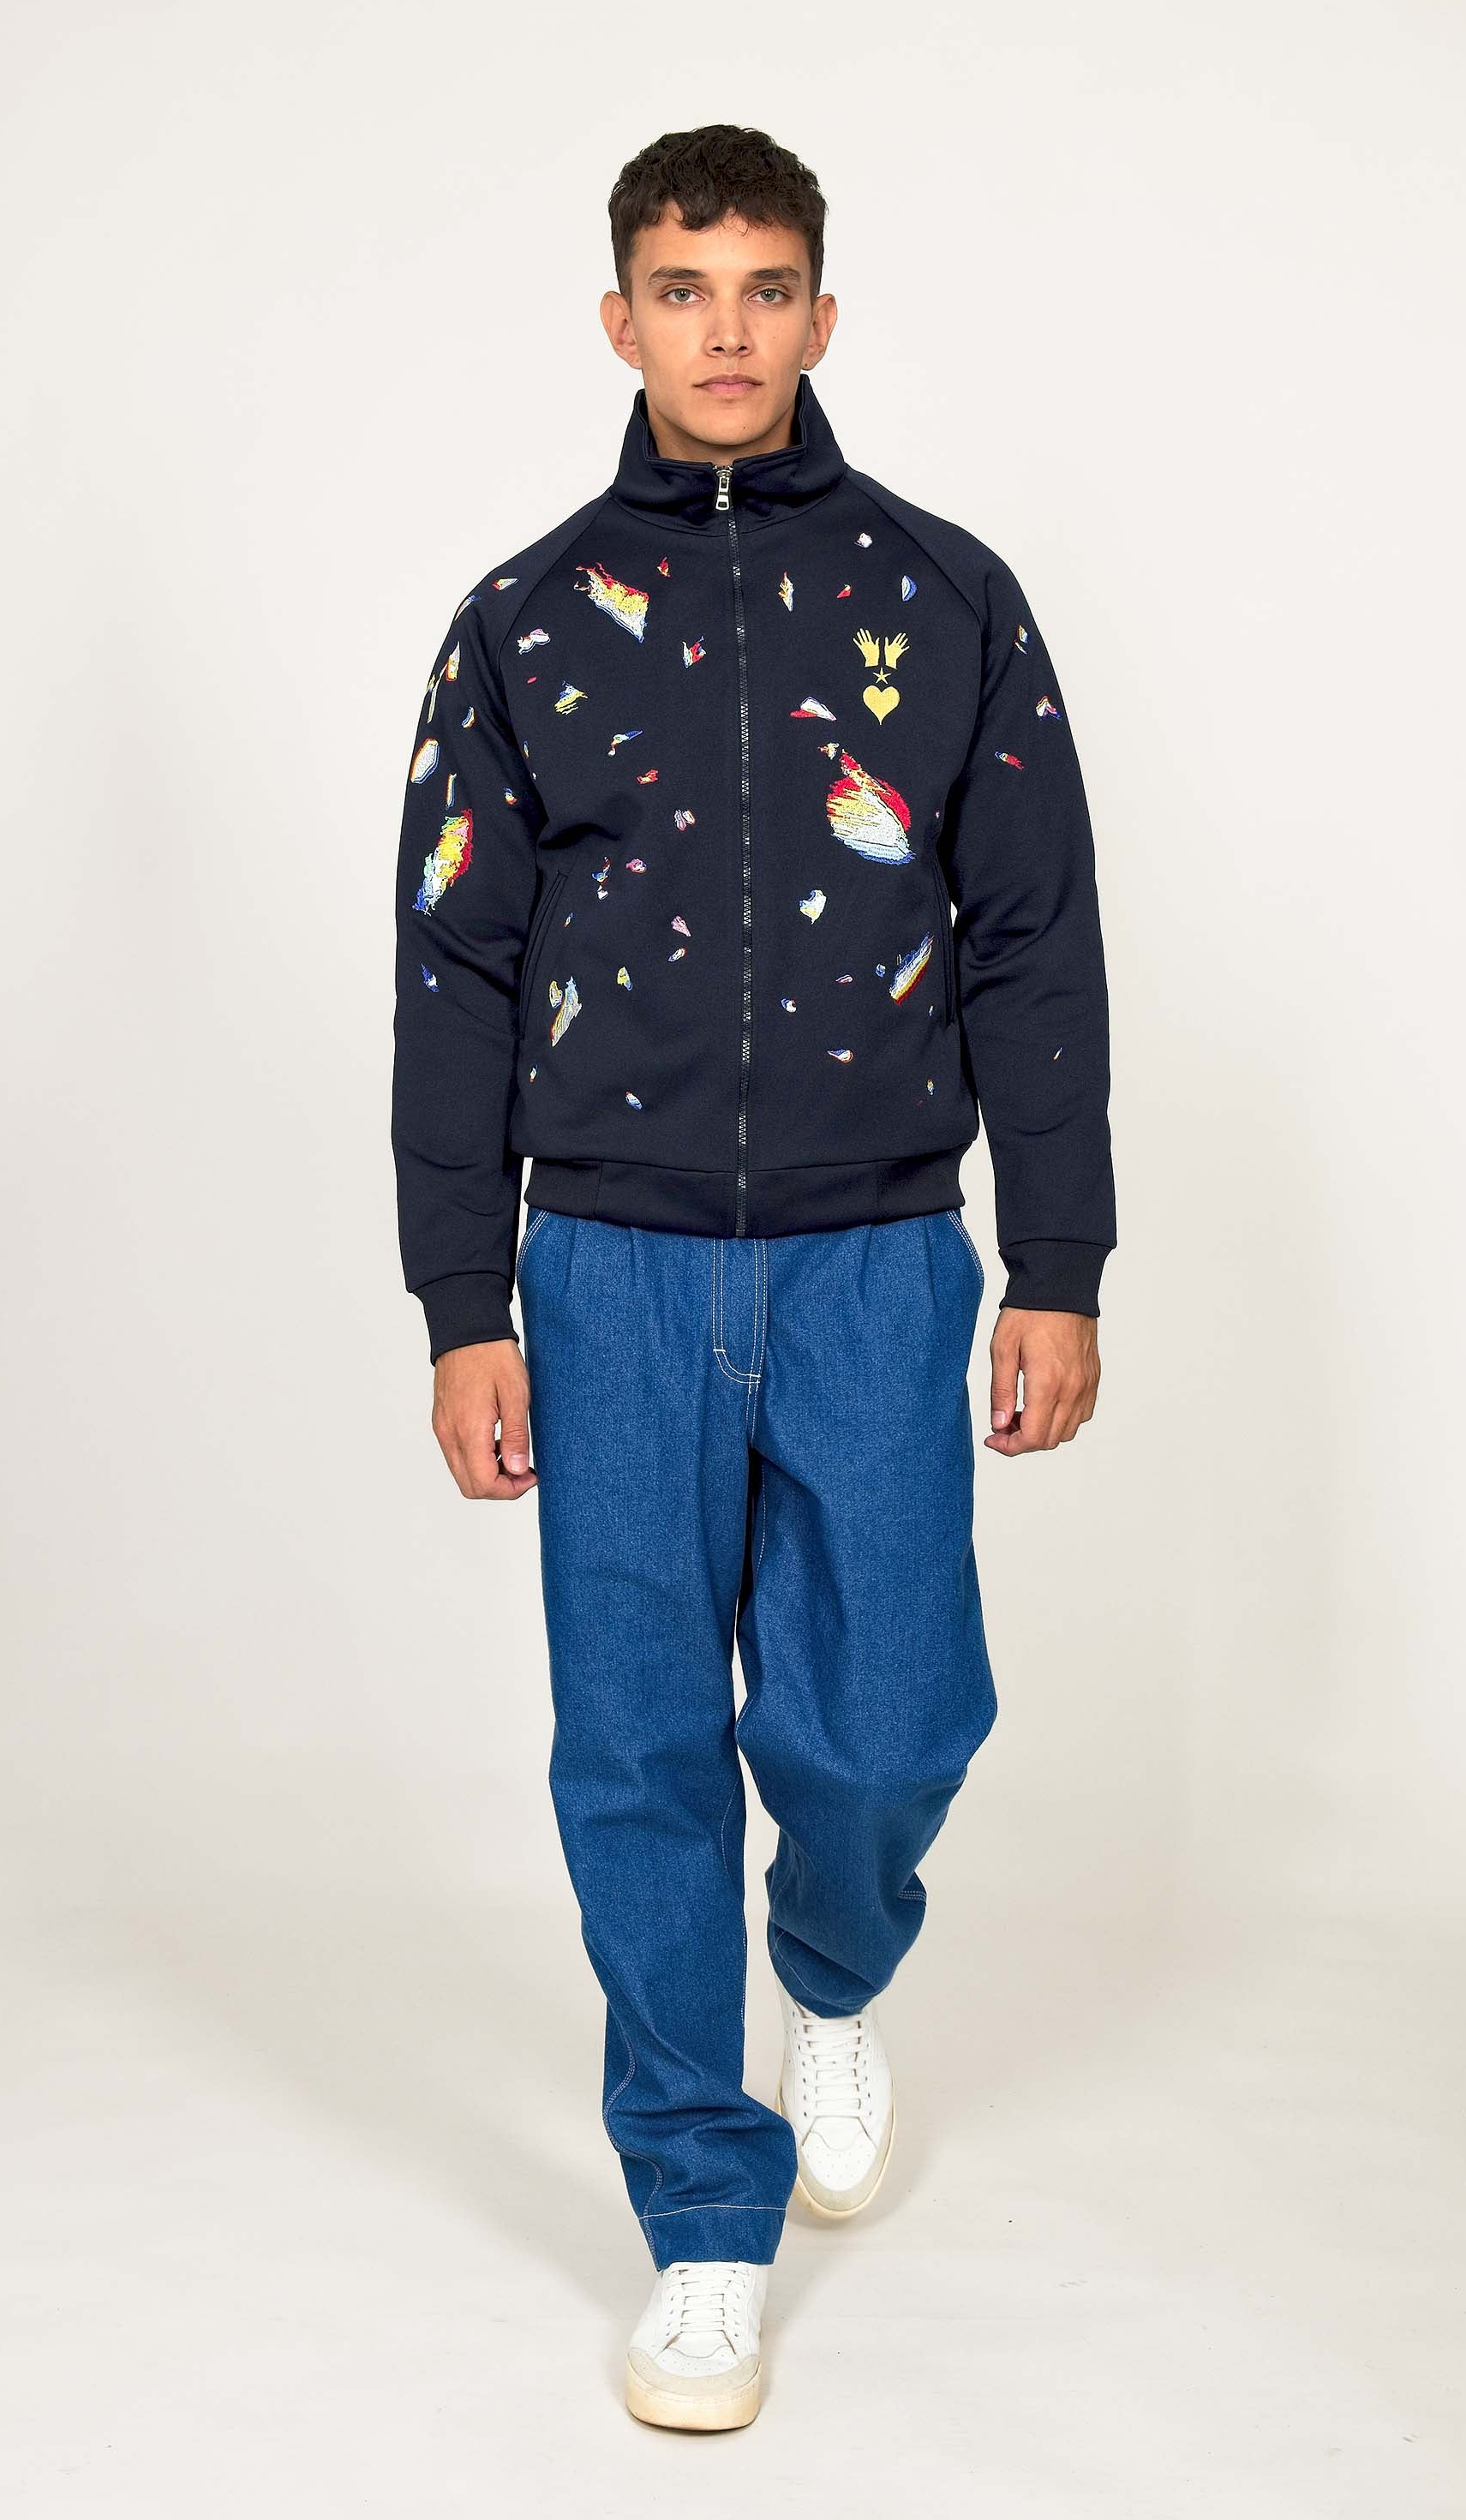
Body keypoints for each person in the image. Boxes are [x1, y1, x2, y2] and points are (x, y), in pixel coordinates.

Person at [391, 123, 1115, 2432]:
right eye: (684, 289)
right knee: (635, 1751)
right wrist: (466, 1302)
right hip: (603, 1271)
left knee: (892, 1721)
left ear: (821, 312)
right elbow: (455, 974)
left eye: (766, 285)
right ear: (619, 319)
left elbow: (1034, 942)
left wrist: (1060, 1258)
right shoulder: (521, 623)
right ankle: (704, 2222)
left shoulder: (949, 598)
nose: (726, 329)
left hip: (877, 1260)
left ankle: (835, 1965)